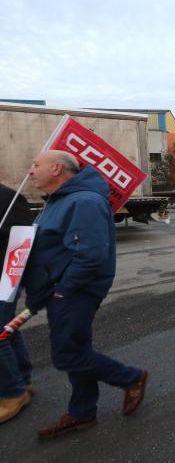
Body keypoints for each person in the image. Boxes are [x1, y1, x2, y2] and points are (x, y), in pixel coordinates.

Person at [22, 150, 148, 438]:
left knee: (67, 355)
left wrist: (63, 292)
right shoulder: (58, 201)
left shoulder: (84, 202)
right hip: (59, 290)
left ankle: (131, 377)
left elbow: (89, 256)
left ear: (56, 169)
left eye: (35, 164)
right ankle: (82, 412)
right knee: (77, 350)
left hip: (73, 292)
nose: (30, 171)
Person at [0, 182, 35, 424]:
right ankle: (23, 380)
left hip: (6, 275)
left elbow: (24, 236)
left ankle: (12, 393)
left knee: (0, 333)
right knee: (8, 329)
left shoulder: (9, 197)